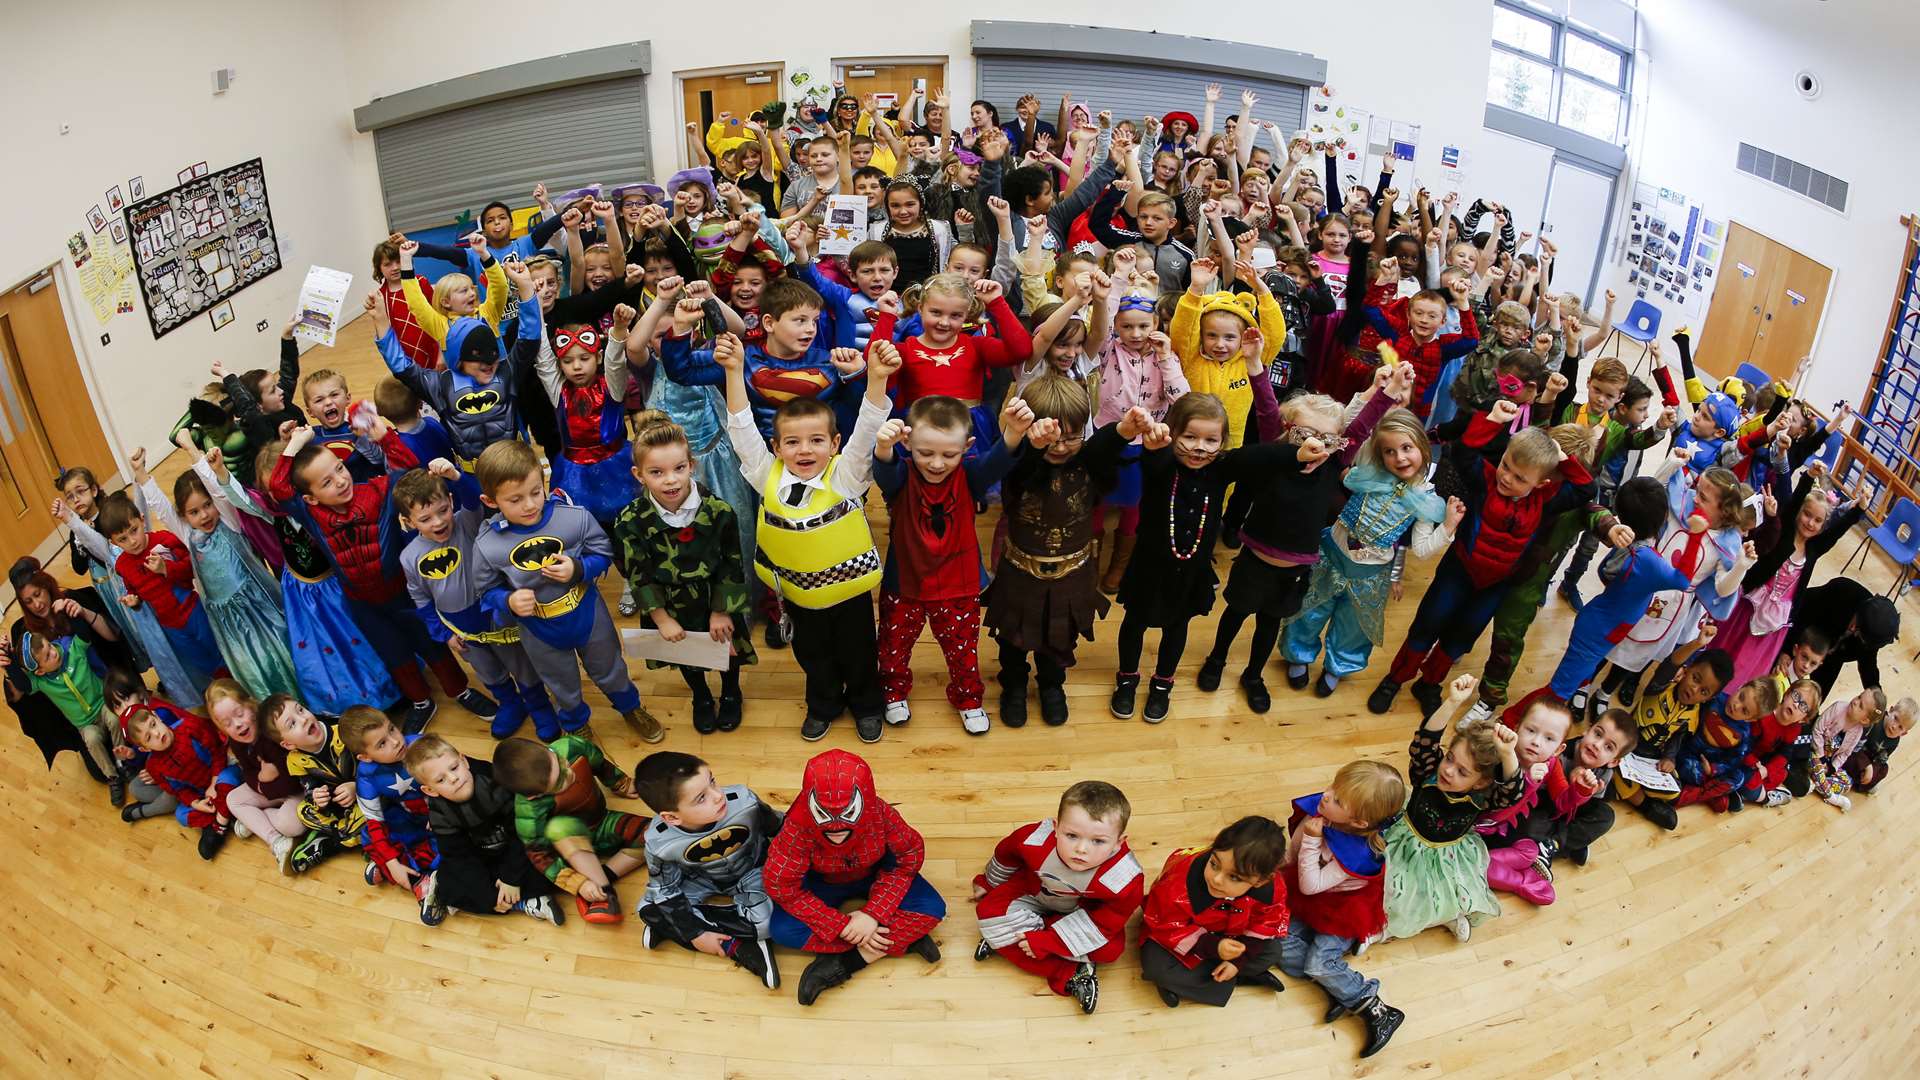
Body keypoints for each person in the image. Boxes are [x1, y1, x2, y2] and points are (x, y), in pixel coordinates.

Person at [1197, 365, 1412, 710]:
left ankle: (1253, 674)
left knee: (1269, 623)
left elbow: (1360, 426)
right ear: (1287, 432)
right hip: (1255, 560)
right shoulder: (1277, 455)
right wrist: (1254, 368)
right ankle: (1216, 659)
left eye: (1325, 438)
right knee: (1236, 613)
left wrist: (1388, 392)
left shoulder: (1333, 463)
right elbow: (1267, 408)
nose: (1315, 444)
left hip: (1293, 570)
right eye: (1305, 435)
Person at [721, 330, 894, 742]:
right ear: (776, 447)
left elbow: (868, 427)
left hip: (849, 593)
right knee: (812, 656)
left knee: (859, 653)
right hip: (798, 595)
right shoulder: (767, 476)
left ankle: (867, 704)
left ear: (834, 444)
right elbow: (742, 431)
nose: (805, 450)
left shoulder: (848, 475)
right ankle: (824, 703)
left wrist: (877, 378)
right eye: (793, 442)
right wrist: (732, 371)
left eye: (816, 441)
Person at [1371, 407, 1593, 716]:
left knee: (1461, 637)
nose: (1506, 477)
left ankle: (1430, 683)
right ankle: (1395, 679)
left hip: (1494, 586)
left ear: (1541, 483)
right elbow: (1464, 451)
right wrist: (1492, 420)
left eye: (1519, 478)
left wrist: (1561, 456)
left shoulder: (1547, 500)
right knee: (1427, 624)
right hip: (1458, 571)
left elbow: (1587, 489)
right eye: (1506, 466)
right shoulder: (1485, 480)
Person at [270, 420, 485, 734]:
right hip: (363, 604)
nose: (340, 481)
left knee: (432, 645)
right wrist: (294, 445)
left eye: (340, 469)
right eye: (326, 482)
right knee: (394, 654)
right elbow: (279, 490)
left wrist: (383, 436)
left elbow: (407, 468)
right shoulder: (310, 514)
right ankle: (421, 702)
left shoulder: (379, 490)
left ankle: (460, 690)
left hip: (404, 594)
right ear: (312, 498)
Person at [470, 439, 662, 743]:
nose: (530, 504)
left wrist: (579, 569)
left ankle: (631, 707)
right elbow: (484, 591)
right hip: (538, 627)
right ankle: (574, 726)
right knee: (560, 684)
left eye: (535, 491)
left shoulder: (572, 517)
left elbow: (604, 552)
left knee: (610, 668)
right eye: (515, 499)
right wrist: (506, 599)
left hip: (587, 612)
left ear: (543, 479)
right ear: (491, 501)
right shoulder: (487, 544)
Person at [983, 379, 1140, 728]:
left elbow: (1102, 450)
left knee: (1060, 636)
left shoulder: (1089, 462)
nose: (1061, 446)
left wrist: (1122, 431)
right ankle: (1014, 685)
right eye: (1052, 438)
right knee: (1012, 638)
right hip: (1020, 572)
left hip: (1073, 574)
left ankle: (1052, 686)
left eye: (1071, 437)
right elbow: (1018, 474)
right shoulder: (1020, 464)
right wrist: (1032, 447)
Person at [873, 395, 1031, 733]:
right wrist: (885, 448)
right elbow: (884, 475)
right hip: (906, 583)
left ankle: (968, 697)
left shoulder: (970, 474)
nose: (936, 464)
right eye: (925, 452)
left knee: (963, 650)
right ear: (908, 441)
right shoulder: (901, 476)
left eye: (949, 454)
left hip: (958, 585)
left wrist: (1014, 434)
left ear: (967, 446)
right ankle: (893, 691)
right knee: (893, 644)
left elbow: (995, 463)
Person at [1282, 408, 1460, 698]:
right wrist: (1386, 394)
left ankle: (1337, 666)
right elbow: (1359, 430)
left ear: (1422, 446)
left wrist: (1448, 527)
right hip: (1331, 558)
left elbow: (1424, 549)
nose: (1400, 458)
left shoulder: (1428, 502)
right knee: (1311, 610)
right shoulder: (1369, 472)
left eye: (1407, 448)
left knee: (1353, 627)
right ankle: (1298, 655)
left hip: (1369, 576)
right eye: (1390, 451)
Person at [613, 412, 757, 734]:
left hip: (713, 601)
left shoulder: (720, 512)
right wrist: (662, 619)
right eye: (657, 472)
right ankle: (701, 696)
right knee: (687, 655)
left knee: (727, 651)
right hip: (670, 606)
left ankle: (731, 692)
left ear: (691, 465)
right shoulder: (630, 521)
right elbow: (638, 575)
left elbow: (733, 563)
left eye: (679, 468)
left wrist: (722, 611)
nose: (671, 480)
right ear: (639, 475)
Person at [766, 749, 945, 1006]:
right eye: (825, 816)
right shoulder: (796, 828)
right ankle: (902, 941)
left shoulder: (881, 815)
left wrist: (873, 914)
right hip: (822, 883)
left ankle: (845, 963)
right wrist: (841, 925)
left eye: (848, 815)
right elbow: (782, 886)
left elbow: (908, 858)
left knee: (932, 909)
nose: (837, 828)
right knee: (783, 931)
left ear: (866, 800)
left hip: (875, 874)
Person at [394, 468, 557, 740]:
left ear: (450, 500)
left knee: (520, 665)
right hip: (461, 628)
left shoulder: (466, 523)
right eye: (425, 518)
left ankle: (540, 706)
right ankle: (510, 704)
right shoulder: (409, 557)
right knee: (488, 672)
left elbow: (473, 499)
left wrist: (457, 478)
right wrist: (443, 634)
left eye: (442, 510)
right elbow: (421, 599)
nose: (437, 522)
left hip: (496, 614)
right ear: (408, 522)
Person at [137, 446, 299, 701]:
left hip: (257, 605)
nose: (204, 515)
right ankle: (270, 705)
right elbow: (162, 508)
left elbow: (218, 491)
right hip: (227, 620)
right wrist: (141, 474)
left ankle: (300, 697)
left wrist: (194, 453)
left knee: (282, 651)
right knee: (252, 666)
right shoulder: (187, 535)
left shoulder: (228, 520)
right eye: (193, 512)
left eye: (207, 506)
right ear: (184, 516)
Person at [971, 781, 1144, 1012]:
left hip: (1081, 913)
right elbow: (1006, 853)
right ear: (1056, 827)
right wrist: (989, 882)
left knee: (1110, 950)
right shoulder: (1035, 838)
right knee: (988, 911)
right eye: (1071, 835)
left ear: (1118, 843)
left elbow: (1108, 920)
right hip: (1033, 892)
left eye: (1098, 841)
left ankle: (1008, 941)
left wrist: (1047, 941)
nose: (1082, 849)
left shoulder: (1124, 876)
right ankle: (1070, 970)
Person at [1279, 760, 1409, 1058]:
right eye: (1333, 786)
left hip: (1341, 911)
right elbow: (1293, 853)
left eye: (1338, 799)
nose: (1326, 796)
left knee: (1317, 965)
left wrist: (1313, 840)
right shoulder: (1323, 812)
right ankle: (1338, 988)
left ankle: (1379, 1011)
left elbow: (1312, 882)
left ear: (1360, 822)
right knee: (1277, 938)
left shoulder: (1358, 854)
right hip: (1309, 898)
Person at [1382, 675, 1521, 943]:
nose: (1447, 770)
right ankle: (1385, 925)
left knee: (1440, 891)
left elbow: (1512, 793)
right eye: (1449, 758)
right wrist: (1453, 702)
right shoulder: (1427, 774)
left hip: (1449, 857)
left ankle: (1447, 915)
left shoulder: (1483, 797)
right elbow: (1424, 743)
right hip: (1406, 841)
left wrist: (1507, 753)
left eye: (1462, 771)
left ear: (1481, 782)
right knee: (1392, 888)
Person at [376, 251, 541, 471]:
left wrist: (525, 286)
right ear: (458, 355)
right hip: (475, 477)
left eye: (491, 351)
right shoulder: (440, 385)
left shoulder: (504, 371)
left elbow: (529, 338)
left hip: (518, 466)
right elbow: (401, 366)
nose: (487, 361)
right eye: (476, 354)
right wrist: (380, 319)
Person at [632, 751, 782, 988]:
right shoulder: (660, 842)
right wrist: (696, 935)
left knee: (768, 923)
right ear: (671, 817)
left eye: (712, 780)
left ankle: (676, 928)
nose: (717, 796)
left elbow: (780, 827)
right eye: (701, 798)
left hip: (752, 869)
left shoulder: (744, 802)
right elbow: (664, 890)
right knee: (648, 909)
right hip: (700, 878)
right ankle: (738, 946)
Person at [1714, 471, 1863, 691]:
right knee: (1726, 647)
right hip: (1749, 605)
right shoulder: (1783, 532)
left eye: (1818, 520)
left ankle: (1730, 696)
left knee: (1747, 664)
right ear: (1799, 513)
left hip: (1774, 622)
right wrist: (1807, 478)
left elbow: (1836, 533)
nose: (1810, 523)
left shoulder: (1813, 549)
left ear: (1823, 525)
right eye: (1807, 515)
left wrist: (1858, 511)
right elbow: (1792, 505)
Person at [405, 733, 564, 924]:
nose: (454, 778)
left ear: (464, 761)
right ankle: (522, 901)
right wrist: (489, 897)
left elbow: (523, 831)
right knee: (452, 886)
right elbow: (459, 857)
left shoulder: (493, 780)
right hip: (482, 857)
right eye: (441, 780)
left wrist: (510, 878)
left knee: (554, 858)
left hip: (518, 846)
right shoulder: (440, 814)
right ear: (430, 790)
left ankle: (518, 898)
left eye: (454, 767)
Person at [491, 735, 649, 924]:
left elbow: (600, 763)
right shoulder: (529, 811)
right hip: (571, 845)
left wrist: (620, 783)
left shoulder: (569, 746)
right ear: (535, 796)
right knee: (559, 827)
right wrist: (577, 883)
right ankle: (604, 892)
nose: (569, 773)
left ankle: (601, 876)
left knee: (656, 835)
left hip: (603, 821)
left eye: (559, 761)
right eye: (559, 782)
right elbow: (540, 856)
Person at [1140, 816, 1288, 1009]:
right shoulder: (1179, 882)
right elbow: (1166, 925)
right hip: (1189, 938)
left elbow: (1268, 922)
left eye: (1234, 877)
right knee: (1156, 965)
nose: (1217, 879)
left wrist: (1237, 962)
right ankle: (1239, 979)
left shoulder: (1271, 890)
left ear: (1260, 881)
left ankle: (1196, 982)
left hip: (1231, 938)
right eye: (1214, 864)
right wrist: (1214, 947)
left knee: (1273, 950)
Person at [98, 488, 228, 692]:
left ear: (142, 520)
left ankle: (235, 682)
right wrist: (135, 601)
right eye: (122, 539)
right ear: (113, 543)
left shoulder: (164, 540)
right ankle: (222, 690)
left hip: (193, 610)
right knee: (199, 661)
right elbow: (134, 590)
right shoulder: (122, 564)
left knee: (219, 650)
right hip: (169, 625)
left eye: (134, 530)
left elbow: (192, 569)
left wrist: (166, 569)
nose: (132, 541)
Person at [205, 679, 328, 874]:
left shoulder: (271, 731)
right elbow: (248, 773)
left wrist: (264, 782)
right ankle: (275, 840)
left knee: (292, 825)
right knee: (233, 799)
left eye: (239, 714)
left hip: (297, 789)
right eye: (227, 723)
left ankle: (254, 821)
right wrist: (263, 779)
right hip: (269, 786)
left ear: (251, 704)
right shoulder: (237, 742)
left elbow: (292, 783)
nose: (237, 725)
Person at [340, 707, 445, 926]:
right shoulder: (367, 775)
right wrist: (391, 861)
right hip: (408, 815)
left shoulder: (420, 744)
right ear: (365, 757)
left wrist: (440, 813)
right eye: (382, 744)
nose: (396, 741)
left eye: (392, 729)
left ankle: (419, 879)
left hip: (441, 812)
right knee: (369, 834)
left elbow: (454, 779)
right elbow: (374, 821)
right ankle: (402, 870)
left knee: (450, 844)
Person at [1610, 647, 1734, 830]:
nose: (1694, 689)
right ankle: (1645, 805)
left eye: (1704, 691)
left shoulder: (1694, 715)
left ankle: (1631, 791)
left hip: (1649, 756)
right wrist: (1697, 642)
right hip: (1626, 742)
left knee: (1674, 788)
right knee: (1612, 764)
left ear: (1710, 697)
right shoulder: (1661, 686)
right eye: (1695, 678)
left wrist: (1669, 758)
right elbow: (1670, 663)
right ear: (1687, 669)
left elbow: (1677, 740)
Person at [7, 629, 125, 804]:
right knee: (92, 740)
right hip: (85, 724)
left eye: (50, 646)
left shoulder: (72, 648)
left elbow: (84, 637)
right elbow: (22, 684)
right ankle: (113, 777)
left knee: (115, 719)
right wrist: (9, 661)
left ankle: (123, 761)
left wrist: (74, 610)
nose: (54, 653)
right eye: (47, 657)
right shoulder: (40, 681)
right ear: (39, 671)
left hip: (103, 705)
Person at [123, 704, 239, 860]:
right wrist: (195, 803)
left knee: (229, 779)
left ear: (157, 717)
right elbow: (177, 790)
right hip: (201, 792)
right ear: (144, 748)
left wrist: (214, 782)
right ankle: (220, 814)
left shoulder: (190, 727)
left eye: (153, 724)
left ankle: (219, 825)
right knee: (181, 814)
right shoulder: (153, 766)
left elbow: (217, 752)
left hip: (220, 773)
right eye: (149, 737)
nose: (157, 733)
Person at [265, 693, 367, 858]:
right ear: (288, 744)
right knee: (303, 811)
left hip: (366, 792)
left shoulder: (341, 728)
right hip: (342, 806)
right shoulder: (295, 760)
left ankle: (334, 843)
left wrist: (357, 786)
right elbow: (309, 787)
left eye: (301, 710)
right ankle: (347, 834)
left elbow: (372, 762)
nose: (303, 719)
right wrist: (317, 797)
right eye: (292, 724)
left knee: (376, 802)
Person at [1788, 578, 1899, 697]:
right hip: (1803, 645)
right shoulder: (1842, 591)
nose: (1853, 630)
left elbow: (1868, 664)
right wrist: (1787, 650)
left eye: (1859, 634)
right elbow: (1801, 612)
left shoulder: (1873, 634)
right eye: (1857, 624)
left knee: (1812, 701)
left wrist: (1876, 697)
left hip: (1830, 663)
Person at [1806, 688, 1887, 813]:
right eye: (1859, 697)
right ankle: (1831, 797)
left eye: (1860, 705)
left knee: (1847, 782)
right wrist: (1821, 756)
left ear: (1864, 720)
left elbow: (1846, 753)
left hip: (1828, 764)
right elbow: (1817, 730)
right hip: (1814, 752)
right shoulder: (1838, 708)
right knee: (1813, 761)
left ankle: (1815, 782)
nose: (1855, 701)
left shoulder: (1858, 732)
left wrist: (1833, 767)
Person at [1845, 697, 1916, 795]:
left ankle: (1860, 780)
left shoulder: (1894, 742)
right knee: (1850, 751)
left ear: (1903, 733)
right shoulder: (1876, 721)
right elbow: (1856, 742)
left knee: (1884, 769)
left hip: (1870, 758)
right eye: (1895, 718)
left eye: (1900, 727)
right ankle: (1853, 776)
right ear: (1890, 711)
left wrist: (1872, 769)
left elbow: (1881, 759)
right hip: (1857, 750)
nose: (1894, 726)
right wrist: (1866, 765)